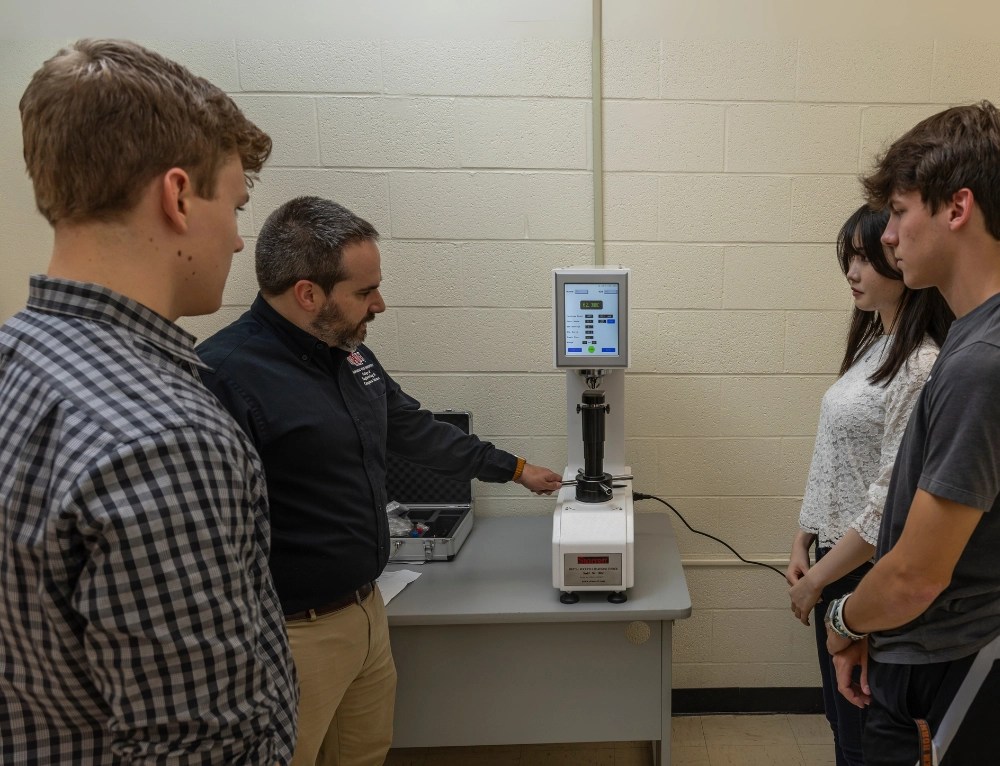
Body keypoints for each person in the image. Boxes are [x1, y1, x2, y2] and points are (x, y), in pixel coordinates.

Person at [0, 40, 297, 764]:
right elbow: (202, 748)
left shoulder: (16, 359)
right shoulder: (164, 439)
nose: (235, 238)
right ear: (176, 196)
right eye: (235, 204)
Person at [196, 195, 563, 766]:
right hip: (293, 635)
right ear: (308, 293)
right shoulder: (225, 376)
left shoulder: (349, 357)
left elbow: (414, 430)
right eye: (365, 293)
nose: (380, 304)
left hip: (368, 612)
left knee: (364, 755)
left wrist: (515, 470)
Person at [826, 102, 1000, 765]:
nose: (888, 236)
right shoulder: (969, 339)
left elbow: (916, 579)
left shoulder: (981, 362)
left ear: (956, 209)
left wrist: (844, 619)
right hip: (925, 647)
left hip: (941, 669)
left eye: (899, 212)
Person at [785, 204, 953, 766]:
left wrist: (820, 586)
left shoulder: (921, 365)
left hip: (867, 570)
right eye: (848, 259)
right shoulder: (872, 349)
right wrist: (803, 538)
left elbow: (890, 502)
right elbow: (832, 453)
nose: (852, 272)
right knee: (841, 720)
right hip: (835, 560)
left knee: (866, 734)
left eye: (864, 257)